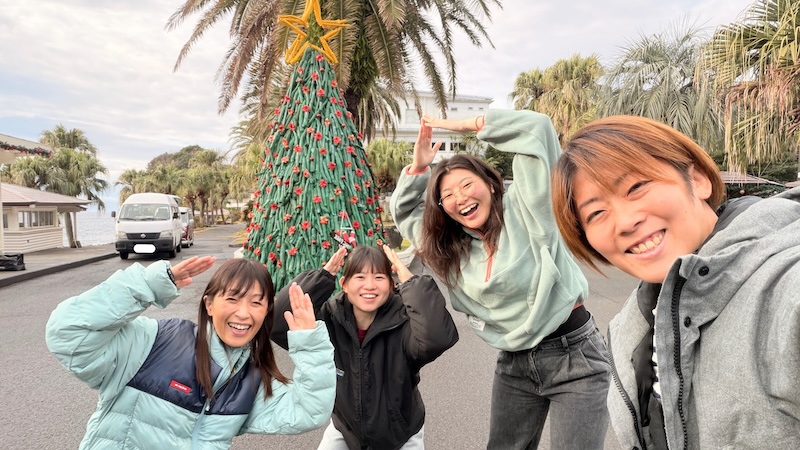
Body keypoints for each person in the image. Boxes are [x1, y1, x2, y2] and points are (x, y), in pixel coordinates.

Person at [550, 115, 800, 449]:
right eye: (596, 214)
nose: (624, 222)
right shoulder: (632, 324)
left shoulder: (784, 290)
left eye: (636, 187)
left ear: (697, 180)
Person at [390, 111, 611, 450]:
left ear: (491, 184)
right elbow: (405, 212)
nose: (460, 198)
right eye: (448, 195)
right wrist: (419, 169)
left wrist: (470, 125)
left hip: (574, 356)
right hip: (514, 363)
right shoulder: (452, 249)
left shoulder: (527, 210)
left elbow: (537, 130)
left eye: (467, 185)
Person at [45, 256, 336, 449]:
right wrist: (146, 286)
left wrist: (310, 344)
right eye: (232, 299)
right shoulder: (154, 342)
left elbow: (307, 412)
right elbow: (68, 332)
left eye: (256, 303)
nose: (243, 313)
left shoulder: (251, 379)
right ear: (209, 304)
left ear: (266, 311)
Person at [271, 244, 459, 450]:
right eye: (360, 277)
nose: (369, 285)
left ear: (391, 284)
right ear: (344, 284)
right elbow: (279, 324)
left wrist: (411, 282)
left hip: (401, 435)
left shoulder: (405, 320)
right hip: (345, 430)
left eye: (379, 277)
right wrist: (323, 278)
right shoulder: (327, 321)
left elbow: (436, 338)